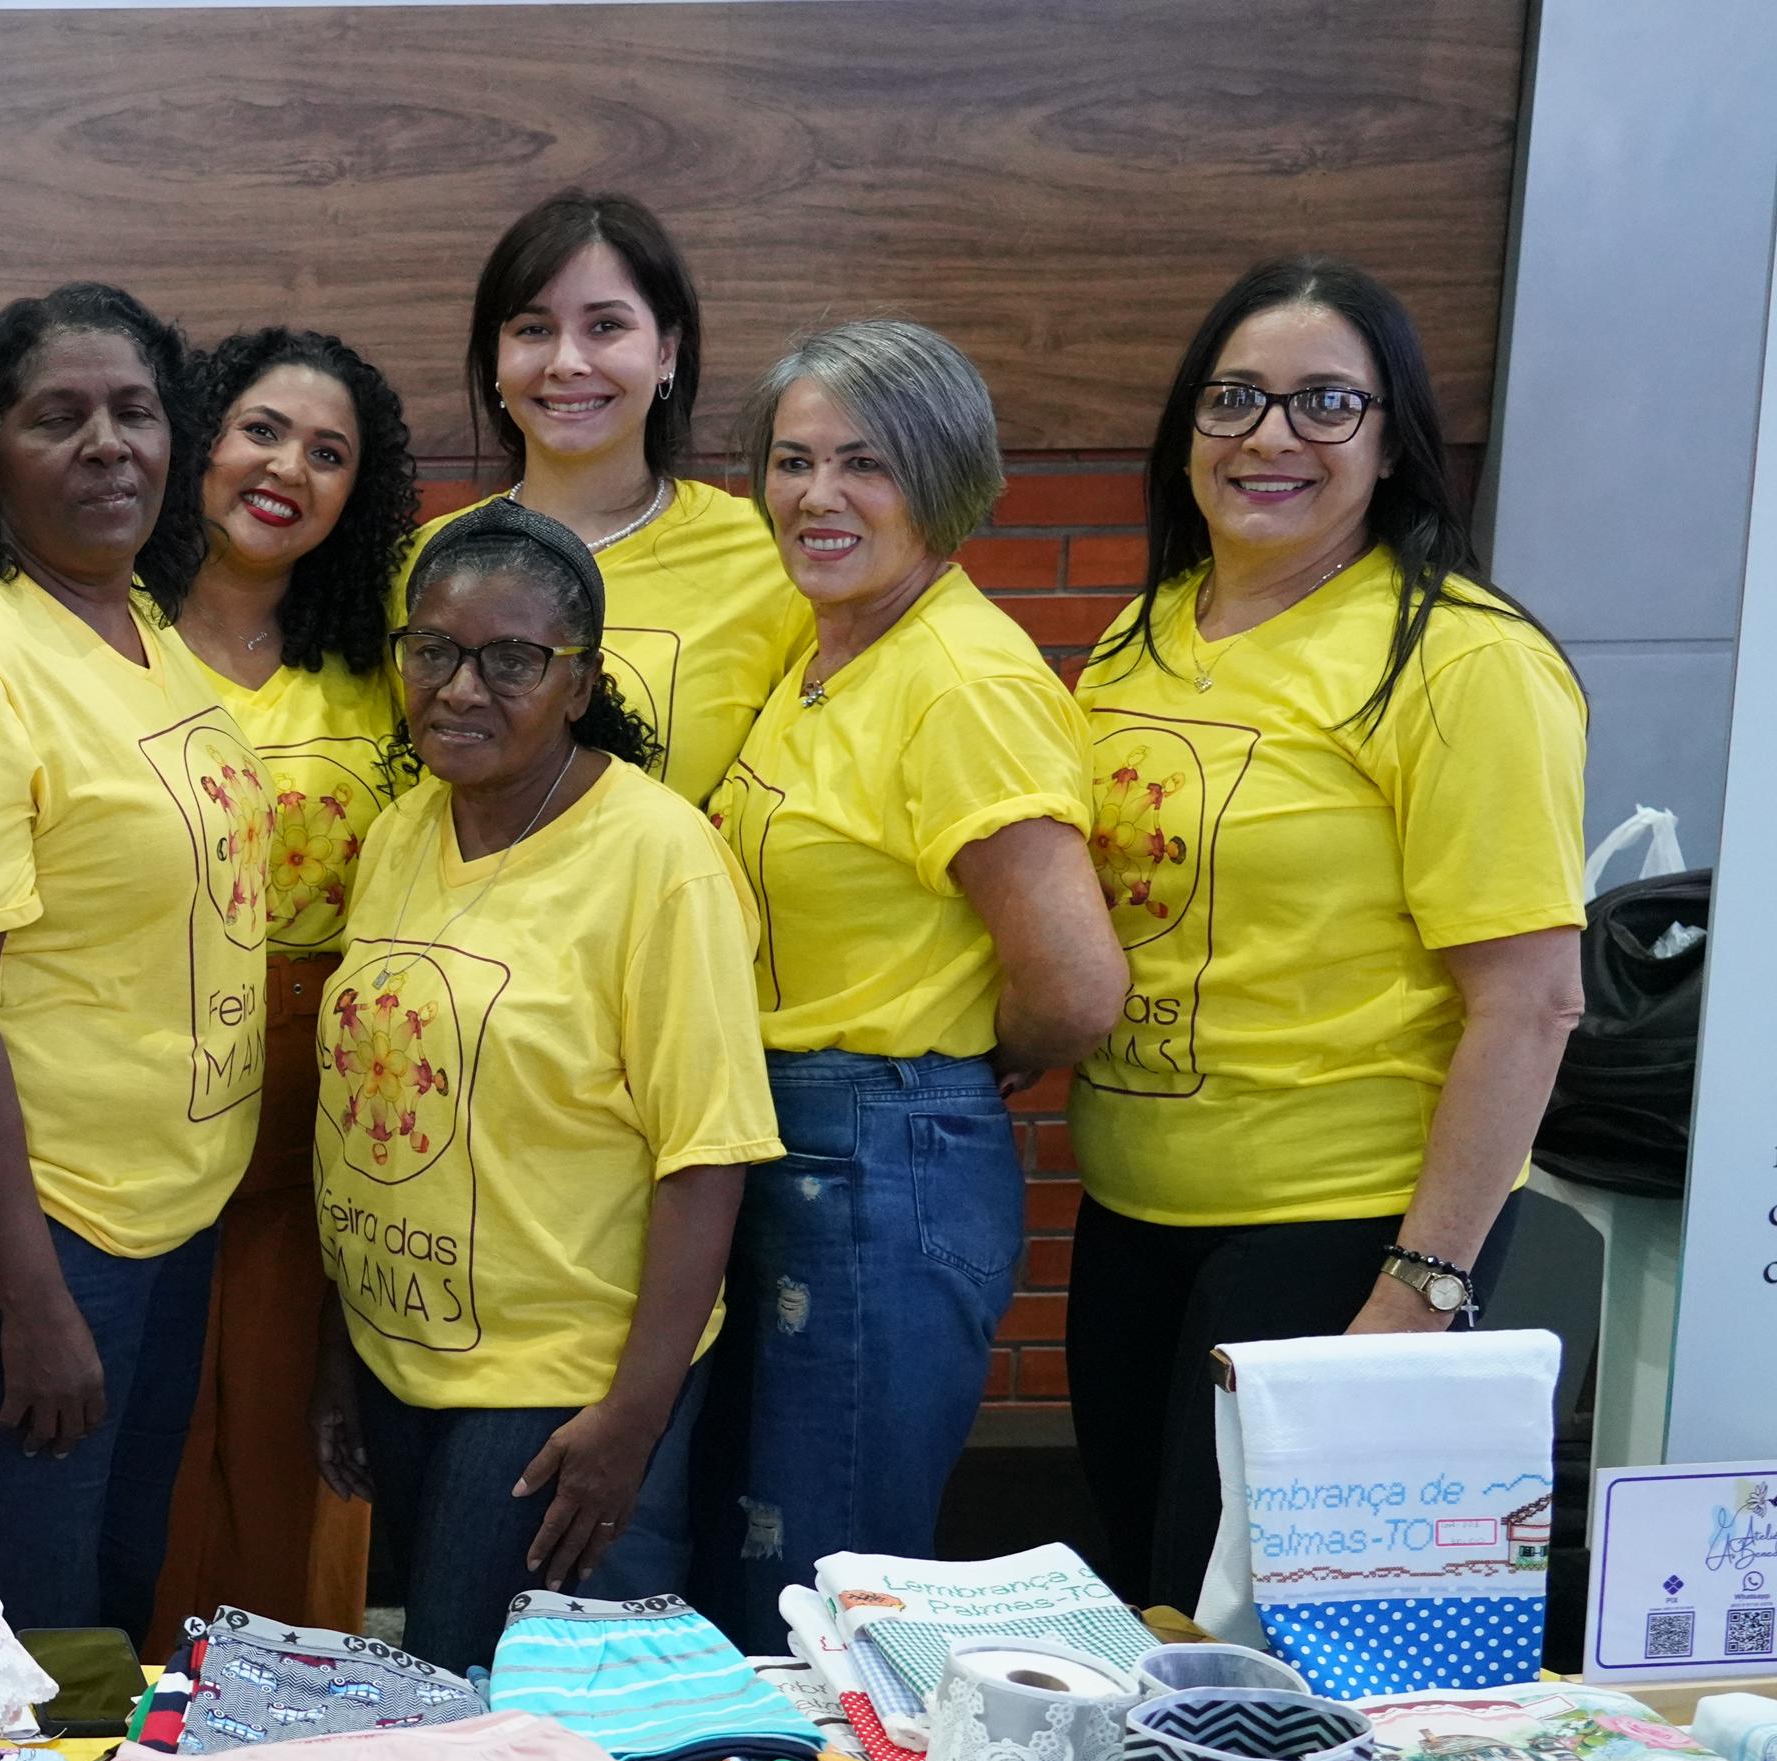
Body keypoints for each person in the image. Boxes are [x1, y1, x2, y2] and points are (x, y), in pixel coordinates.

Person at [1062, 257, 1587, 1612]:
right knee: (1146, 1605)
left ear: (1395, 438)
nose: (1270, 437)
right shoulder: (1140, 638)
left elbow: (1529, 1004)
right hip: (1133, 1209)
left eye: (1323, 404)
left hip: (1341, 1221)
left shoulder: (1462, 661)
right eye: (1235, 399)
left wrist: (1424, 1284)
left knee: (1250, 1647)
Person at [686, 322, 1126, 1644]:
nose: (819, 497)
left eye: (864, 463)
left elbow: (1076, 987)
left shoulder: (961, 682)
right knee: (768, 1553)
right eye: (794, 461)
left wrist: (945, 1057)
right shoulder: (833, 649)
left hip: (882, 1155)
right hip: (799, 1141)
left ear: (944, 480)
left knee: (829, 1584)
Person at [0, 281, 264, 1645]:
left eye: (136, 411)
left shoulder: (141, 625)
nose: (108, 445)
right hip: (26, 1233)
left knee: (114, 1598)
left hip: (154, 1219)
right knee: (29, 1648)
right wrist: (30, 1302)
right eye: (59, 417)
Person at [309, 503, 778, 1676]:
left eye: (510, 659)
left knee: (494, 1708)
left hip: (556, 1386)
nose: (460, 688)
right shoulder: (402, 831)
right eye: (432, 651)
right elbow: (359, 1117)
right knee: (433, 1682)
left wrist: (632, 1418)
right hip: (397, 1357)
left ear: (576, 683)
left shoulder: (658, 859)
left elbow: (705, 1154)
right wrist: (338, 1351)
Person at [149, 325, 416, 1639]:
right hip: (132, 1089)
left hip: (324, 1117)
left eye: (329, 453)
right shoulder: (103, 639)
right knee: (132, 1444)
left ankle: (290, 1760)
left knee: (293, 1448)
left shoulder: (378, 674)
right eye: (260, 429)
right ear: (198, 437)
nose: (287, 468)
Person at [404, 190, 809, 808]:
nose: (567, 362)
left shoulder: (771, 559)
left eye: (606, 327)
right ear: (496, 356)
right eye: (534, 329)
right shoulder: (428, 560)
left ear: (666, 351)